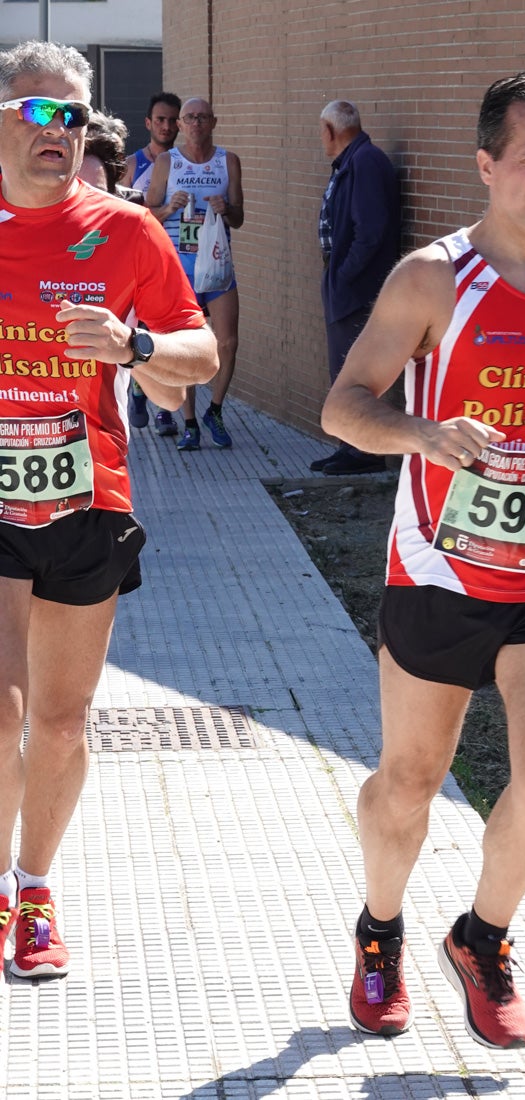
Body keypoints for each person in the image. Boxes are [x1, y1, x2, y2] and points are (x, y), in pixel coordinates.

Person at [321, 71, 525, 1048]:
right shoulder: (434, 277)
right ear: (488, 164)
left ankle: (483, 936)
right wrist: (425, 433)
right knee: (410, 781)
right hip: (440, 570)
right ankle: (380, 928)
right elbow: (347, 404)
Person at [0, 40, 218, 979]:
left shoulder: (126, 231)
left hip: (88, 499)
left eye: (78, 118)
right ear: (7, 117)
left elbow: (199, 357)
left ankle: (35, 887)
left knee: (58, 720)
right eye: (47, 113)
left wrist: (133, 345)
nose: (65, 132)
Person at [146, 96, 244, 451]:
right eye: (190, 118)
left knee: (228, 342)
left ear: (213, 122)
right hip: (179, 269)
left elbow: (239, 217)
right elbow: (149, 214)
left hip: (217, 265)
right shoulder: (167, 162)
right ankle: (189, 422)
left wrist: (226, 209)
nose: (196, 123)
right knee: (185, 347)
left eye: (203, 117)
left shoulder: (227, 161)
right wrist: (168, 207)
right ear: (181, 125)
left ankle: (214, 411)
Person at [311, 100, 401, 475]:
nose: (321, 140)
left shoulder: (364, 162)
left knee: (353, 372)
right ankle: (350, 446)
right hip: (347, 286)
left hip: (358, 291)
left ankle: (363, 452)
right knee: (343, 369)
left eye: (321, 132)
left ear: (330, 131)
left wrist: (345, 274)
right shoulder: (353, 161)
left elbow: (371, 230)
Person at [119, 92, 182, 437]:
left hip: (180, 263)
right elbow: (123, 217)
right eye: (160, 119)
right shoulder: (132, 165)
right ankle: (142, 393)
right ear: (148, 123)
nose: (166, 126)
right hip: (141, 265)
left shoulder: (186, 163)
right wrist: (168, 210)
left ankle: (163, 410)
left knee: (171, 336)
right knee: (147, 333)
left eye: (173, 120)